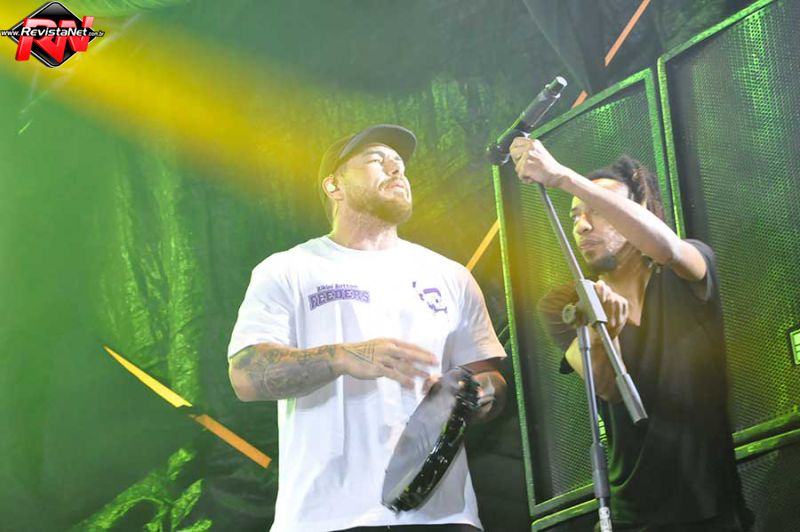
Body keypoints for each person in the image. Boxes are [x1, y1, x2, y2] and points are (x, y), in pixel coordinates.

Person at [227, 124, 507, 532]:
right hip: (325, 518)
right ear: (334, 185)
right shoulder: (289, 269)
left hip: (444, 515)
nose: (396, 169)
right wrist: (343, 357)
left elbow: (488, 375)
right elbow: (245, 376)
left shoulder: (450, 276)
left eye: (400, 163)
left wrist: (481, 393)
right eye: (377, 160)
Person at [510, 137, 751, 531]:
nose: (582, 224)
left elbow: (667, 248)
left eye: (598, 209)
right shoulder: (566, 302)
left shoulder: (688, 265)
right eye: (575, 216)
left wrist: (563, 178)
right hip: (630, 515)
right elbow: (606, 387)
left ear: (636, 211)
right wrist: (605, 331)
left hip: (710, 505)